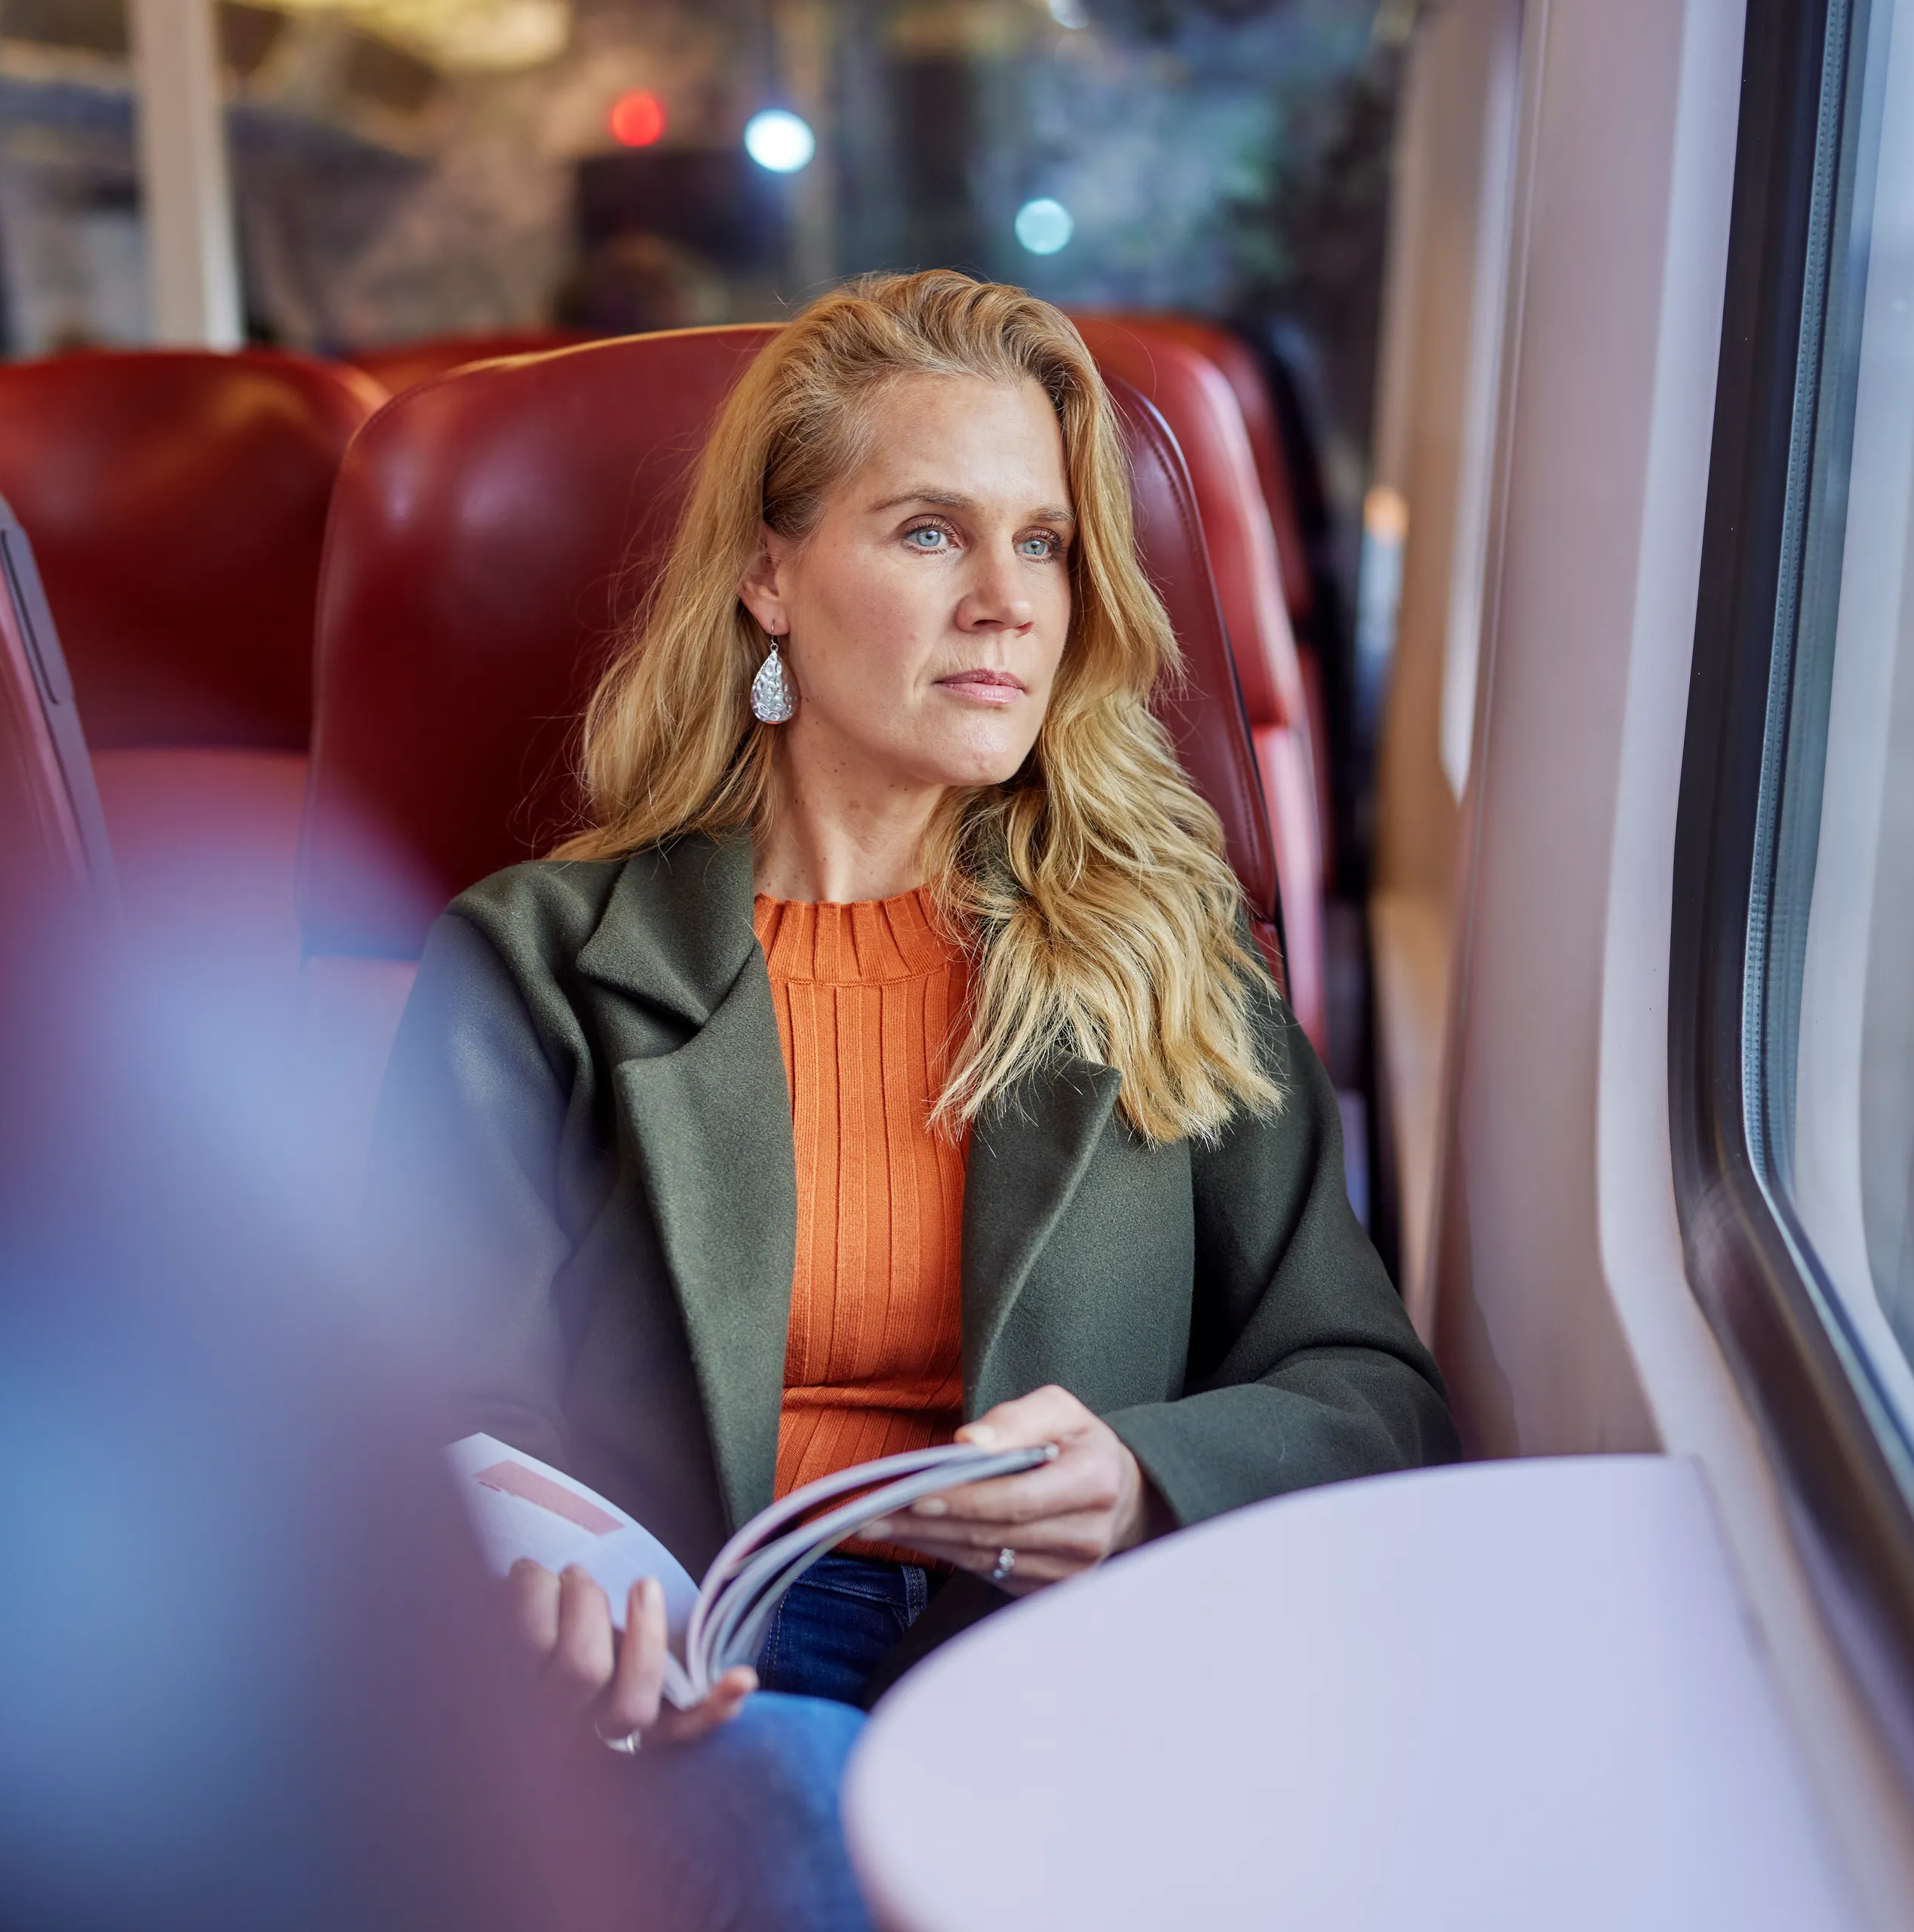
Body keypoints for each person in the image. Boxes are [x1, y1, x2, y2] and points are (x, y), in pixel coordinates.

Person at [367, 269, 1456, 1925]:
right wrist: (538, 1601)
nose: (1011, 599)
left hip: (1065, 1674)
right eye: (933, 532)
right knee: (794, 1802)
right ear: (770, 578)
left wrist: (1142, 1475)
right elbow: (429, 1411)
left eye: (1044, 541)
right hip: (699, 1697)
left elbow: (1370, 1387)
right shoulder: (532, 969)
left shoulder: (1165, 954)